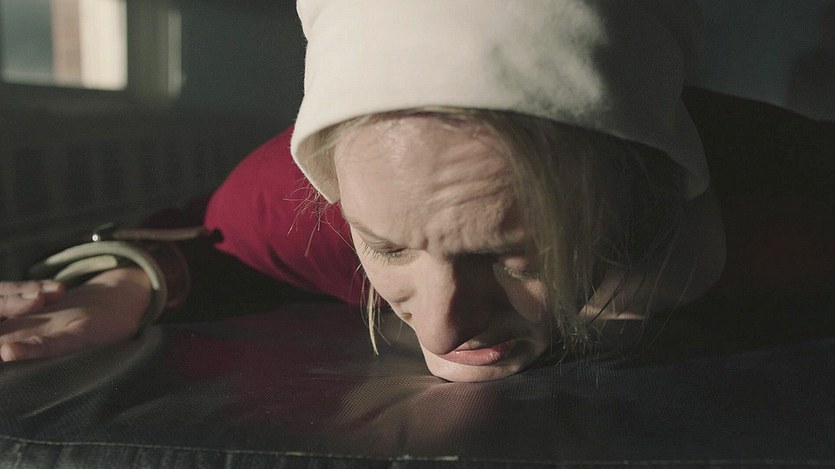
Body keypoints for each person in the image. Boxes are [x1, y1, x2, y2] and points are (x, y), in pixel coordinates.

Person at [0, 1, 726, 382]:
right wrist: (132, 282)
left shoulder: (773, 196)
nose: (440, 331)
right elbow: (209, 238)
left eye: (512, 255)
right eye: (389, 247)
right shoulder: (296, 199)